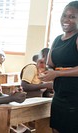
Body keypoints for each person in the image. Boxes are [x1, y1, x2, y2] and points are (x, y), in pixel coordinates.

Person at [39, 1, 78, 133]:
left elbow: (57, 72)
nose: (66, 20)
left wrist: (57, 74)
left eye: (72, 17)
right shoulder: (57, 40)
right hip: (59, 96)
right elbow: (50, 65)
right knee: (56, 129)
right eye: (64, 15)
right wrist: (47, 73)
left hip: (75, 99)